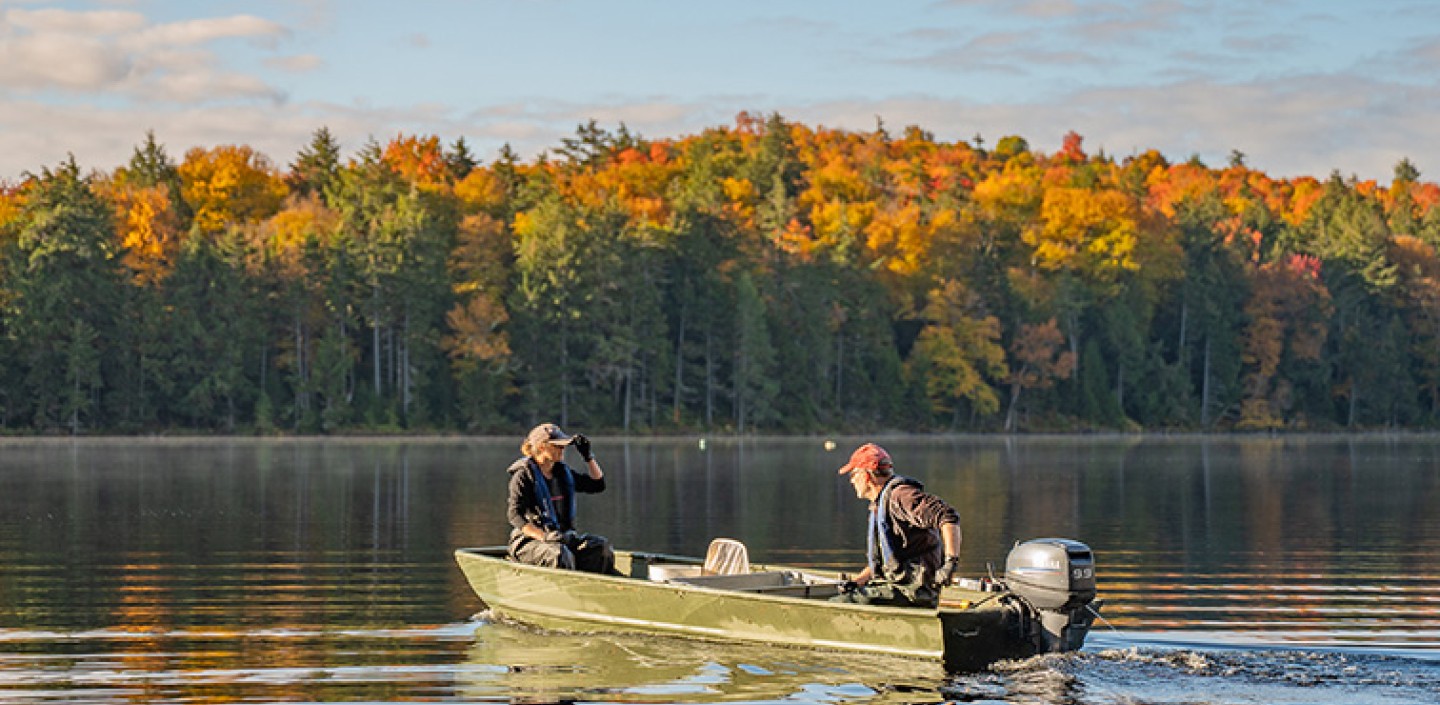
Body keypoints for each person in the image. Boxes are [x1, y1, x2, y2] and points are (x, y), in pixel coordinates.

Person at [831, 442, 962, 608]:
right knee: (848, 595)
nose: (851, 481)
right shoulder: (880, 504)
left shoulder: (901, 497)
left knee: (839, 604)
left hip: (913, 592)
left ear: (866, 476)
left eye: (853, 475)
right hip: (897, 588)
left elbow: (947, 516)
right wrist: (857, 582)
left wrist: (950, 563)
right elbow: (887, 563)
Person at [506, 422, 616, 574]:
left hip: (561, 539)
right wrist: (544, 536)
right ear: (542, 447)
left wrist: (588, 456)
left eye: (563, 446)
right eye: (557, 446)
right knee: (558, 554)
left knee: (601, 547)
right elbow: (514, 516)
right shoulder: (523, 476)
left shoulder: (563, 473)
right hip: (530, 542)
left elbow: (597, 485)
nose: (562, 449)